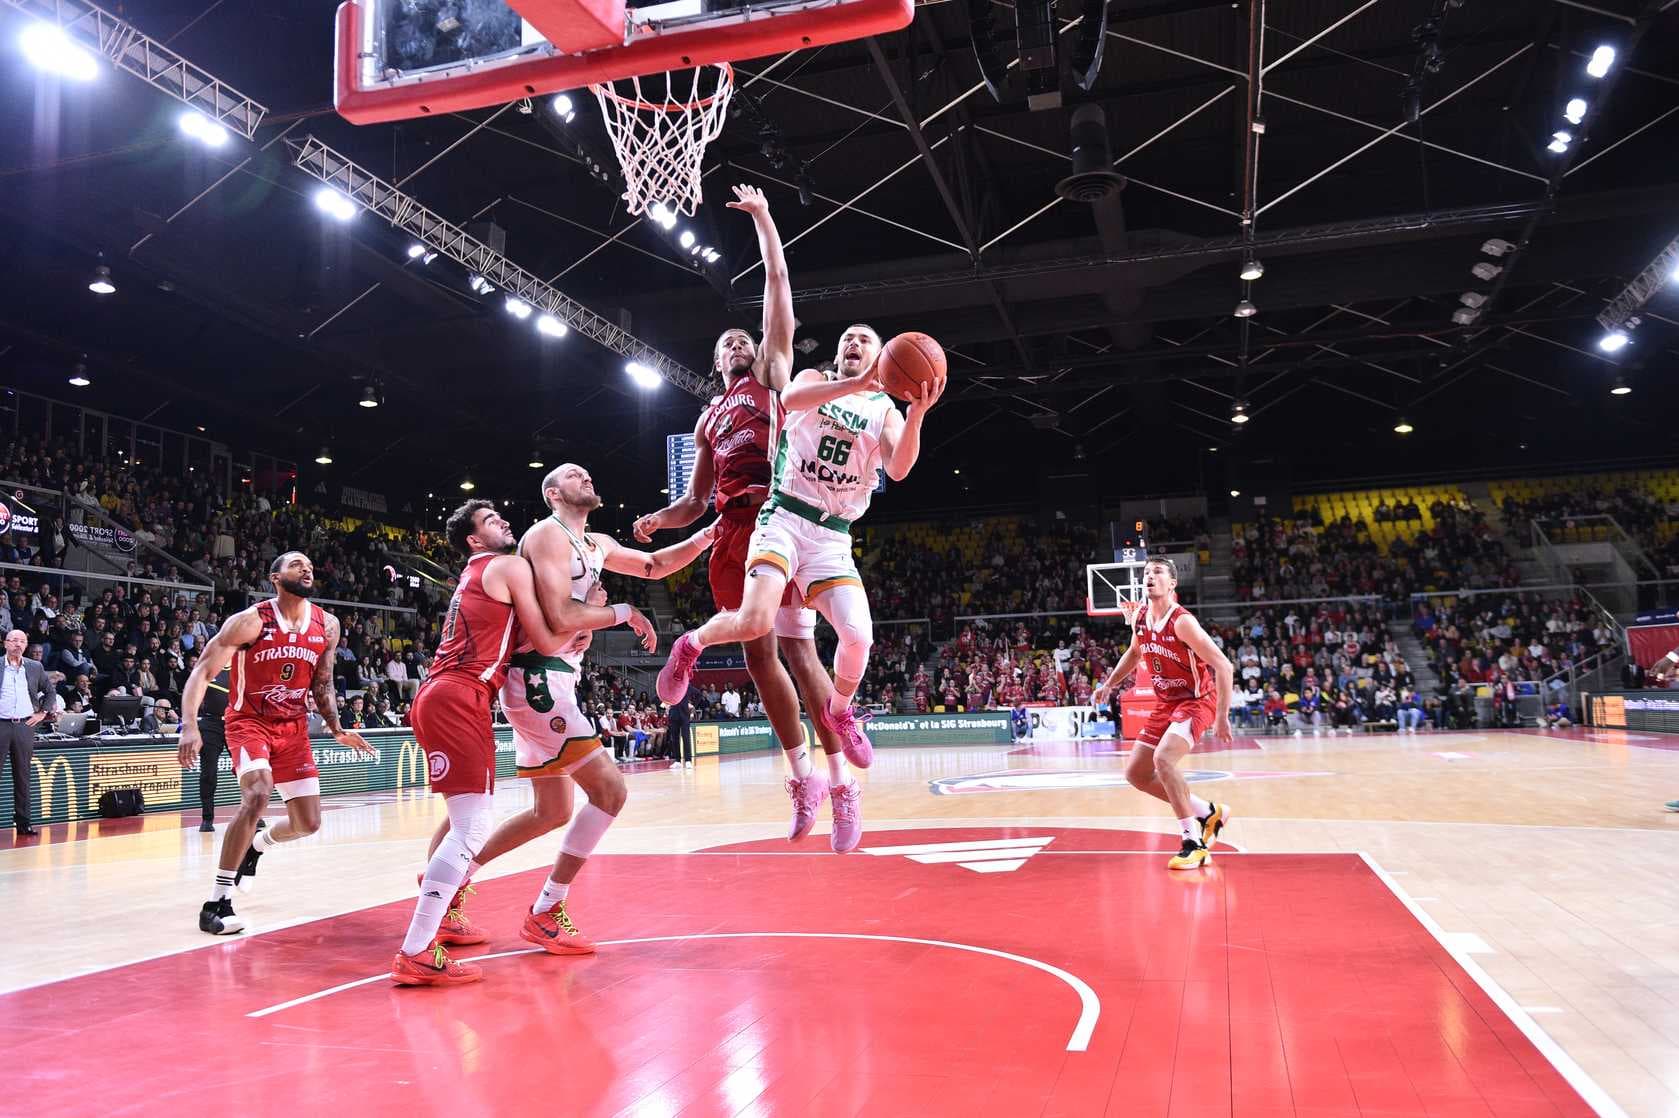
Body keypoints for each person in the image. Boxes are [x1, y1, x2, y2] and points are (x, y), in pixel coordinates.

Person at [657, 323, 945, 853]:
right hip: (774, 518)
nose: (854, 343)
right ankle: (800, 771)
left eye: (865, 339)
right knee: (757, 637)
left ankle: (840, 767)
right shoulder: (803, 383)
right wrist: (662, 522)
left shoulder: (875, 406)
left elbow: (900, 467)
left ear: (882, 354)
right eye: (848, 337)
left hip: (827, 533)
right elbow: (787, 402)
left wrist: (917, 411)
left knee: (828, 646)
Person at [633, 184, 858, 846]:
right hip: (734, 528)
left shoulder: (772, 375)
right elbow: (693, 502)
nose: (737, 342)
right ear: (715, 362)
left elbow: (777, 288)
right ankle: (803, 779)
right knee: (760, 658)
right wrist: (658, 520)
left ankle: (842, 782)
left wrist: (763, 219)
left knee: (799, 651)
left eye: (742, 337)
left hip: (783, 515)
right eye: (726, 341)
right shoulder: (708, 418)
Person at [450, 463, 715, 957]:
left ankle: (447, 885)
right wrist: (623, 613)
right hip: (537, 679)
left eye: (588, 473)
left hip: (557, 677)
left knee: (551, 811)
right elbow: (560, 615)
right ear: (553, 494)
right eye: (573, 475)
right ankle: (546, 910)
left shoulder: (597, 543)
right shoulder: (546, 536)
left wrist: (711, 535)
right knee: (610, 791)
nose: (586, 476)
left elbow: (655, 565)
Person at [390, 499, 577, 987]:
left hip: (444, 693)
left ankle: (442, 915)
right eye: (491, 520)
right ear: (474, 539)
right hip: (460, 695)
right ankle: (415, 950)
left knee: (463, 820)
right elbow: (547, 636)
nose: (504, 521)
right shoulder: (507, 565)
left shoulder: (475, 576)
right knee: (473, 828)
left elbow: (519, 638)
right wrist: (616, 613)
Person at [177, 552, 373, 935]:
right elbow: (202, 671)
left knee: (308, 823)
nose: (307, 568)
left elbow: (322, 684)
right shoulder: (251, 621)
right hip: (249, 721)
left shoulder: (327, 625)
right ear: (275, 577)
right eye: (296, 564)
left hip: (294, 727)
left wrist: (337, 728)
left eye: (310, 565)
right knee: (258, 794)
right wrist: (189, 724)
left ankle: (257, 846)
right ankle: (216, 902)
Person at [1093, 557, 1235, 871]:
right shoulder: (1140, 617)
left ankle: (1192, 842)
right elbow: (1134, 654)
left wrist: (1222, 716)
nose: (1149, 576)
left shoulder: (1182, 622)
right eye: (1146, 572)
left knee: (1164, 760)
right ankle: (1208, 813)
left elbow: (1224, 666)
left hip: (1196, 701)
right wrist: (1109, 684)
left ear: (1172, 583)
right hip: (1166, 703)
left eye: (1157, 572)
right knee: (1136, 774)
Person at [2, 629, 53, 837]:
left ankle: (23, 823)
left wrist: (42, 713)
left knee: (23, 776)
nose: (18, 644)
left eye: (22, 641)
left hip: (24, 725)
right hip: (1, 724)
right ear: (5, 643)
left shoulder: (34, 667)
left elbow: (50, 691)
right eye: (14, 640)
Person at [666, 683, 694, 768]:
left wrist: (692, 706)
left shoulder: (687, 685)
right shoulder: (671, 686)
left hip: (684, 716)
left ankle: (688, 760)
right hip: (673, 715)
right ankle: (677, 761)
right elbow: (665, 697)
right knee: (675, 739)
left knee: (686, 738)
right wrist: (667, 706)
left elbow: (698, 694)